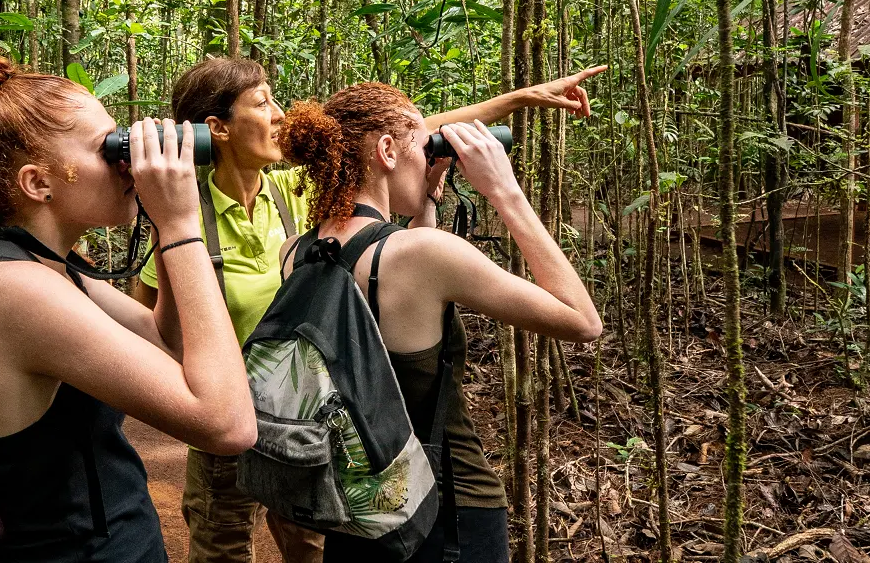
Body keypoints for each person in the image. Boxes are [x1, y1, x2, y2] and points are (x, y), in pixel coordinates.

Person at [130, 57, 605, 563]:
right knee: (220, 546)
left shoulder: (296, 233)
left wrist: (521, 99)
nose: (279, 114)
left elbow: (395, 147)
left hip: (339, 463)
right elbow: (582, 321)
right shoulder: (188, 220)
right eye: (262, 102)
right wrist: (503, 189)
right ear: (217, 129)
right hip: (396, 483)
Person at [0, 59, 256, 562]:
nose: (126, 162)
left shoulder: (47, 267)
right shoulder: (15, 290)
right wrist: (183, 224)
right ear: (37, 182)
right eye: (109, 147)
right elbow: (229, 426)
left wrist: (164, 224)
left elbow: (168, 341)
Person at [275, 83, 602, 562]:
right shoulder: (424, 256)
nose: (429, 154)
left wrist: (425, 197)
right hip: (448, 511)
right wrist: (504, 190)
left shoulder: (296, 253)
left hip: (356, 508)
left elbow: (388, 300)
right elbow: (582, 320)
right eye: (423, 142)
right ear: (387, 150)